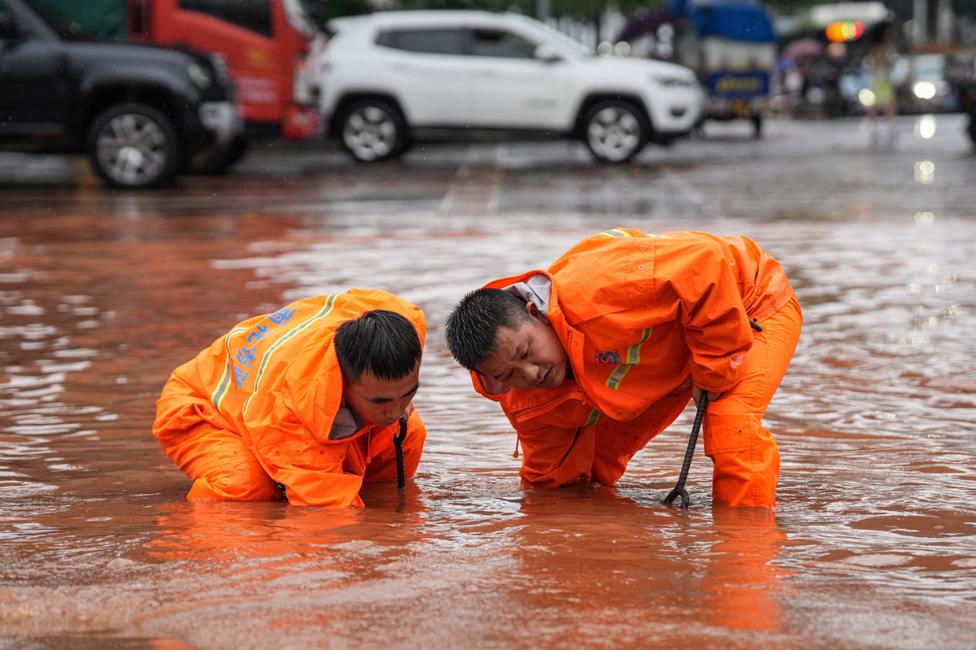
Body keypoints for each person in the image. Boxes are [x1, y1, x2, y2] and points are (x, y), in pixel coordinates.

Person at [445, 228, 802, 508]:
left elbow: (705, 262)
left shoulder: (598, 289)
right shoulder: (525, 400)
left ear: (534, 313)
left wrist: (714, 368)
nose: (530, 374)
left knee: (730, 422)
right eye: (508, 374)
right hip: (668, 348)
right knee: (587, 475)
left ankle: (744, 553)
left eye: (526, 352)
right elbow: (550, 478)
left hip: (744, 303)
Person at [152, 289, 427, 507]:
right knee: (246, 488)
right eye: (381, 402)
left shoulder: (402, 320)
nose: (394, 412)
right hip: (203, 407)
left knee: (408, 433)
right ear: (343, 380)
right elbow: (329, 521)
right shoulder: (290, 421)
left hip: (267, 391)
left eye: (407, 394)